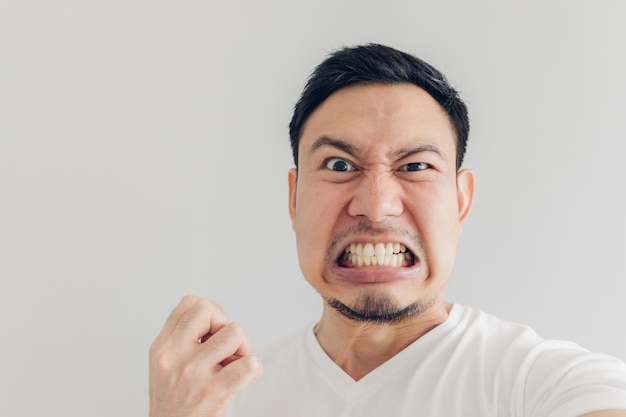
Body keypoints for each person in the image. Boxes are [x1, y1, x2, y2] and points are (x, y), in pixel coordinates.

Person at [149, 44, 626, 417]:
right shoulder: (219, 398)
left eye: (415, 166)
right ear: (294, 198)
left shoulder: (541, 384)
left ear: (461, 201)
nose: (376, 206)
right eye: (339, 164)